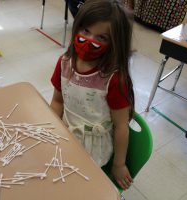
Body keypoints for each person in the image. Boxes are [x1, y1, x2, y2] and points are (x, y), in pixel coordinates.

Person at [50, 0, 134, 190]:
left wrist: (119, 164)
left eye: (102, 37)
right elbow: (57, 101)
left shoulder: (114, 79)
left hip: (93, 148)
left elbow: (121, 126)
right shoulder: (64, 63)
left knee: (73, 187)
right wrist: (51, 129)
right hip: (65, 134)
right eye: (85, 31)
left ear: (115, 42)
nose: (89, 40)